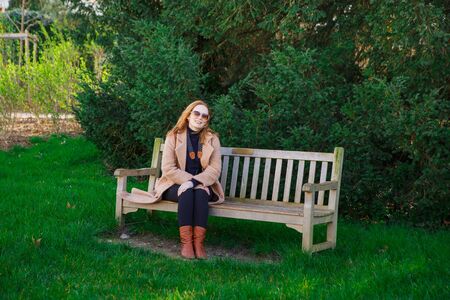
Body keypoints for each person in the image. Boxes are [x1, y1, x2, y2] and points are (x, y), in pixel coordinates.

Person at [134, 100, 224, 259]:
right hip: (174, 184)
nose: (200, 117)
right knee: (188, 192)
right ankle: (187, 243)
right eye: (196, 113)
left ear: (207, 120)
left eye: (204, 115)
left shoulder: (212, 139)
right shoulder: (173, 136)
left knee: (200, 193)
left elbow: (214, 169)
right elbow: (168, 168)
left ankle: (198, 243)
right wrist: (189, 182)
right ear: (188, 115)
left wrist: (194, 182)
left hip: (203, 184)